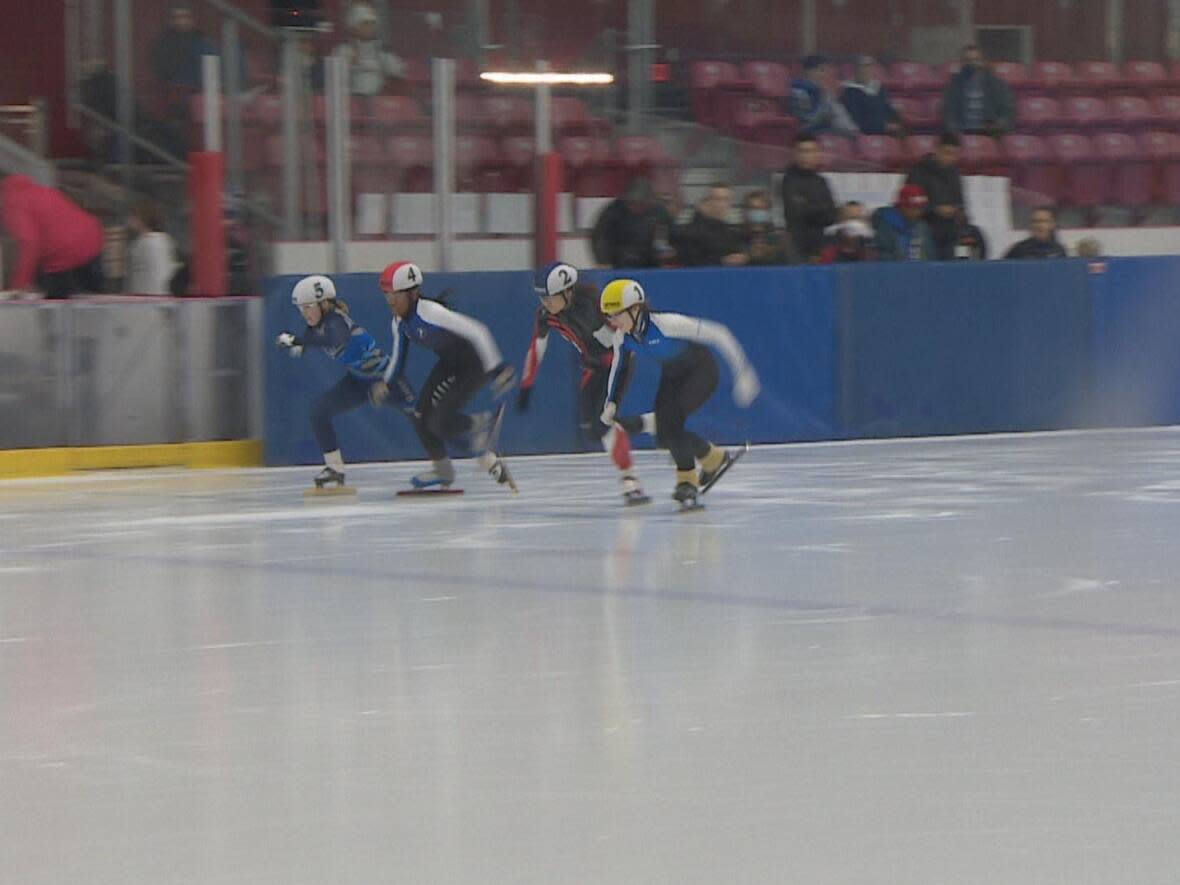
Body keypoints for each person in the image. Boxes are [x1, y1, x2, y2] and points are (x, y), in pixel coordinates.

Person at [598, 279, 761, 509]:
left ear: (636, 309)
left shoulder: (666, 324)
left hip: (701, 371)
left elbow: (719, 333)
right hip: (673, 376)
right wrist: (612, 402)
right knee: (664, 436)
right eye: (608, 317)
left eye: (616, 315)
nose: (612, 322)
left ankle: (687, 485)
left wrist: (743, 372)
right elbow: (620, 369)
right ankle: (713, 459)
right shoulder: (622, 338)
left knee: (671, 424)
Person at [372, 261, 516, 491]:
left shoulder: (430, 312)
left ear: (412, 293)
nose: (390, 302)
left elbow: (477, 331)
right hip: (450, 365)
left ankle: (480, 424)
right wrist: (386, 383)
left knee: (439, 422)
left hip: (474, 366)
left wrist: (498, 368)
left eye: (395, 296)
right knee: (420, 416)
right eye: (387, 296)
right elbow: (399, 357)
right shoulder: (399, 322)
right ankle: (443, 470)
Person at [517, 262, 649, 505]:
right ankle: (650, 423)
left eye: (549, 298)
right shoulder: (547, 316)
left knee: (603, 422)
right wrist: (527, 384)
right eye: (541, 298)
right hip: (593, 368)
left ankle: (631, 481)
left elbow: (630, 333)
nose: (545, 304)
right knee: (590, 428)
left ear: (567, 291)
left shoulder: (595, 305)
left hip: (618, 363)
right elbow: (537, 346)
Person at [275, 274, 401, 491]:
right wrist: (302, 344)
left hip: (385, 379)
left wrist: (298, 341)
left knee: (422, 416)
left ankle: (462, 442)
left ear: (324, 304)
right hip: (358, 381)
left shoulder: (336, 320)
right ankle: (335, 468)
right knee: (318, 412)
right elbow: (311, 336)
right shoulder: (317, 324)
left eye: (308, 307)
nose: (304, 314)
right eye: (301, 309)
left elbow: (336, 339)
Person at [0, 174, 105, 299]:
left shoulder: (13, 203)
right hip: (93, 244)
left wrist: (19, 285)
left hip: (64, 256)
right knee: (95, 307)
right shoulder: (42, 190)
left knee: (54, 309)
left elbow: (29, 242)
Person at [590, 177, 677, 269]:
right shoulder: (614, 210)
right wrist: (603, 260)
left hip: (650, 261)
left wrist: (670, 254)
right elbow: (600, 236)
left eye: (641, 203)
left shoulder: (659, 212)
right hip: (619, 260)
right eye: (632, 202)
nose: (636, 206)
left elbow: (673, 234)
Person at [905, 132, 966, 260]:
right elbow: (910, 205)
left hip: (949, 228)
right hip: (926, 226)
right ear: (937, 150)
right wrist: (936, 209)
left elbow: (960, 201)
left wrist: (957, 211)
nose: (950, 158)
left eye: (954, 154)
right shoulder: (919, 171)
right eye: (947, 153)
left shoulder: (954, 173)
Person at [781, 135, 839, 262]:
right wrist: (820, 209)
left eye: (811, 151)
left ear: (818, 154)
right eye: (802, 151)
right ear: (795, 154)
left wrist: (807, 206)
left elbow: (831, 215)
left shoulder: (821, 182)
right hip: (797, 246)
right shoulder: (788, 181)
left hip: (820, 245)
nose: (806, 156)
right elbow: (795, 212)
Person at [941, 44, 1015, 136]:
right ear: (962, 63)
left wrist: (998, 126)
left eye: (975, 60)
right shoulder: (953, 86)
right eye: (967, 60)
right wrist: (954, 131)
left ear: (983, 62)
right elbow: (947, 113)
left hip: (990, 134)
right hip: (961, 133)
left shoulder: (998, 85)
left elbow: (1009, 112)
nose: (971, 63)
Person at [671, 182, 749, 267]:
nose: (721, 204)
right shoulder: (690, 232)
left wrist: (741, 257)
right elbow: (691, 260)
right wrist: (721, 261)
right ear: (707, 202)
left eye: (726, 200)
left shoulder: (731, 233)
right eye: (717, 199)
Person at [337, 3, 406, 97]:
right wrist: (351, 64)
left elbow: (398, 71)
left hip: (380, 100)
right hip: (353, 100)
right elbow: (337, 79)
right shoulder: (344, 50)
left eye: (372, 23)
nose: (371, 27)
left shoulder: (383, 51)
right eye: (365, 23)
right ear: (354, 27)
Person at [788, 54, 860, 138]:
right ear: (808, 71)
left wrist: (852, 129)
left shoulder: (824, 91)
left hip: (825, 129)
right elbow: (807, 122)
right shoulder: (798, 92)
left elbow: (839, 113)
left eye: (826, 71)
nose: (825, 75)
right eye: (821, 70)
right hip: (805, 133)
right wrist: (824, 100)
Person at [840, 55, 904, 136]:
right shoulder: (849, 92)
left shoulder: (879, 88)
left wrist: (896, 114)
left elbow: (887, 108)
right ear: (855, 69)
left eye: (870, 66)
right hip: (866, 134)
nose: (867, 70)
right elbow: (856, 120)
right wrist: (882, 127)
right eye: (863, 66)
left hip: (887, 133)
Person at [125, 200, 180, 295]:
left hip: (145, 296)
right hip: (164, 295)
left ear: (141, 219)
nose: (129, 221)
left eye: (132, 217)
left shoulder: (143, 243)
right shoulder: (166, 240)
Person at [871, 183, 937, 262]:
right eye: (913, 208)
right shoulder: (886, 228)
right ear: (902, 207)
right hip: (893, 272)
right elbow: (884, 258)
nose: (918, 212)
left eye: (921, 208)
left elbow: (930, 257)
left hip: (920, 272)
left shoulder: (922, 228)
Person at [740, 190, 799, 265]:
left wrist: (771, 252)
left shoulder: (781, 240)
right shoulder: (737, 240)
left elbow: (795, 269)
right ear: (745, 211)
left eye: (761, 209)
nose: (757, 212)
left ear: (768, 212)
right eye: (752, 208)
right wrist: (749, 256)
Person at [1004, 207, 1069, 260]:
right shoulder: (1019, 250)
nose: (1038, 225)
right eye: (1034, 221)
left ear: (1053, 224)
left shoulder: (1059, 250)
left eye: (1042, 221)